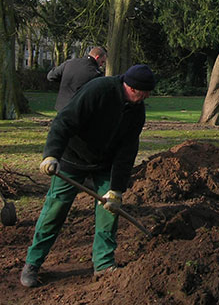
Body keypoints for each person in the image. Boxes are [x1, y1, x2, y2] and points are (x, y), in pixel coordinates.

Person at [20, 64, 156, 287]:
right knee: (55, 210)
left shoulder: (137, 110)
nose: (146, 97)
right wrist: (51, 155)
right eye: (144, 92)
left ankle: (103, 264)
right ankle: (33, 263)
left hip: (104, 164)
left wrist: (117, 189)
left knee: (109, 212)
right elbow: (64, 121)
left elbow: (127, 151)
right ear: (130, 87)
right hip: (72, 159)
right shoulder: (98, 90)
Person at [47, 46, 108, 111]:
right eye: (102, 62)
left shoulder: (69, 63)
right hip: (79, 110)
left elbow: (51, 76)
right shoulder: (96, 74)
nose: (102, 65)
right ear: (97, 57)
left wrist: (64, 81)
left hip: (62, 108)